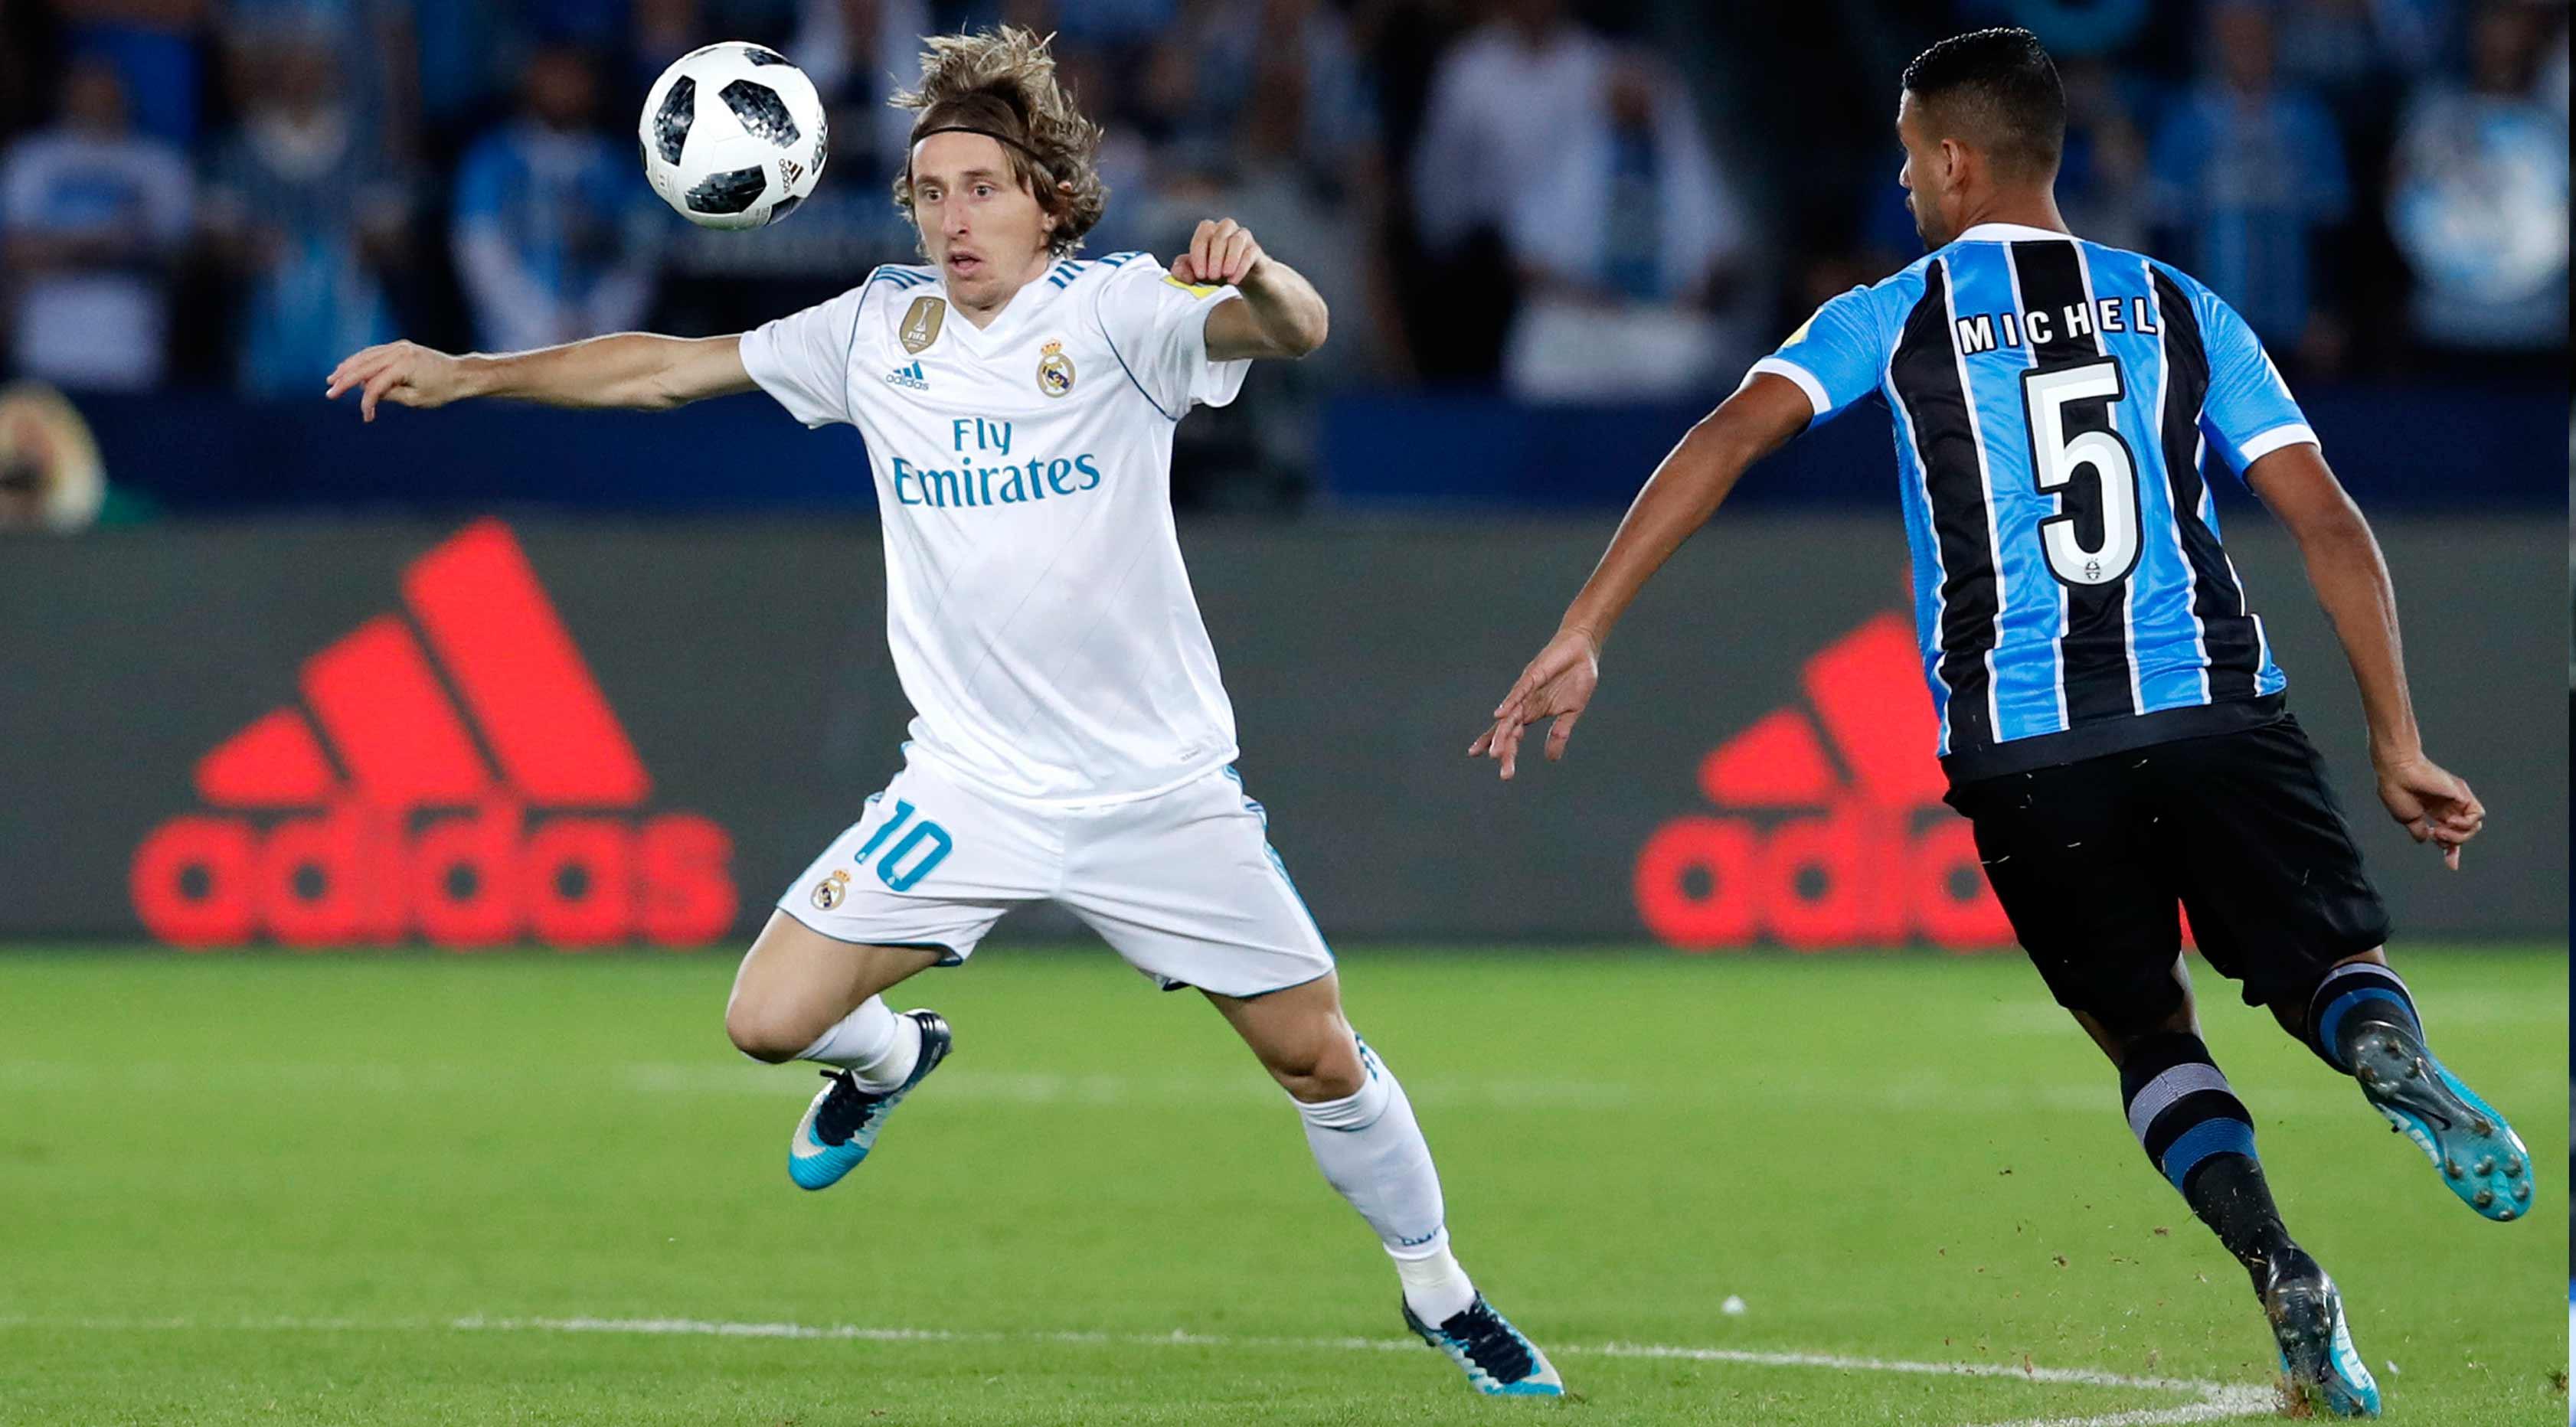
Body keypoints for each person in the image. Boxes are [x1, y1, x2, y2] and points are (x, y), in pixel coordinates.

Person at [325, 25, 1561, 1399]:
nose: (952, 218)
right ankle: (892, 1056)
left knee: (1315, 1056)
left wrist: (1256, 270)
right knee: (766, 1018)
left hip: (1158, 793)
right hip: (970, 787)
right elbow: (667, 366)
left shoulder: (1119, 314)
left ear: (1049, 202)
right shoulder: (876, 331)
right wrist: (471, 371)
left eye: (981, 188)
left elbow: (1298, 331)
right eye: (929, 193)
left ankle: (1440, 1292)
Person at [1469, 28, 2529, 1419]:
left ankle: (2281, 1265)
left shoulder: (1896, 312)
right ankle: (2376, 1042)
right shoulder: (2183, 306)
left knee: (2146, 1031)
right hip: (2214, 705)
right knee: (2335, 963)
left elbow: (1727, 434)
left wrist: (1586, 625)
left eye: (1912, 157)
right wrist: (2396, 739)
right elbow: (2328, 522)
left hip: (2028, 746)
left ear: (1959, 162)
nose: (1905, 182)